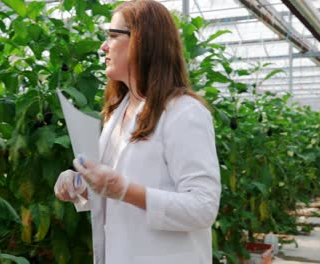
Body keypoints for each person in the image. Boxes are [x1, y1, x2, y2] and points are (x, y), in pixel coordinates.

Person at [54, 0, 221, 263]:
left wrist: (124, 190)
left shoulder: (184, 113)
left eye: (112, 36)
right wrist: (82, 187)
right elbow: (115, 194)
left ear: (142, 42)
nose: (104, 46)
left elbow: (203, 207)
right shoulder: (117, 112)